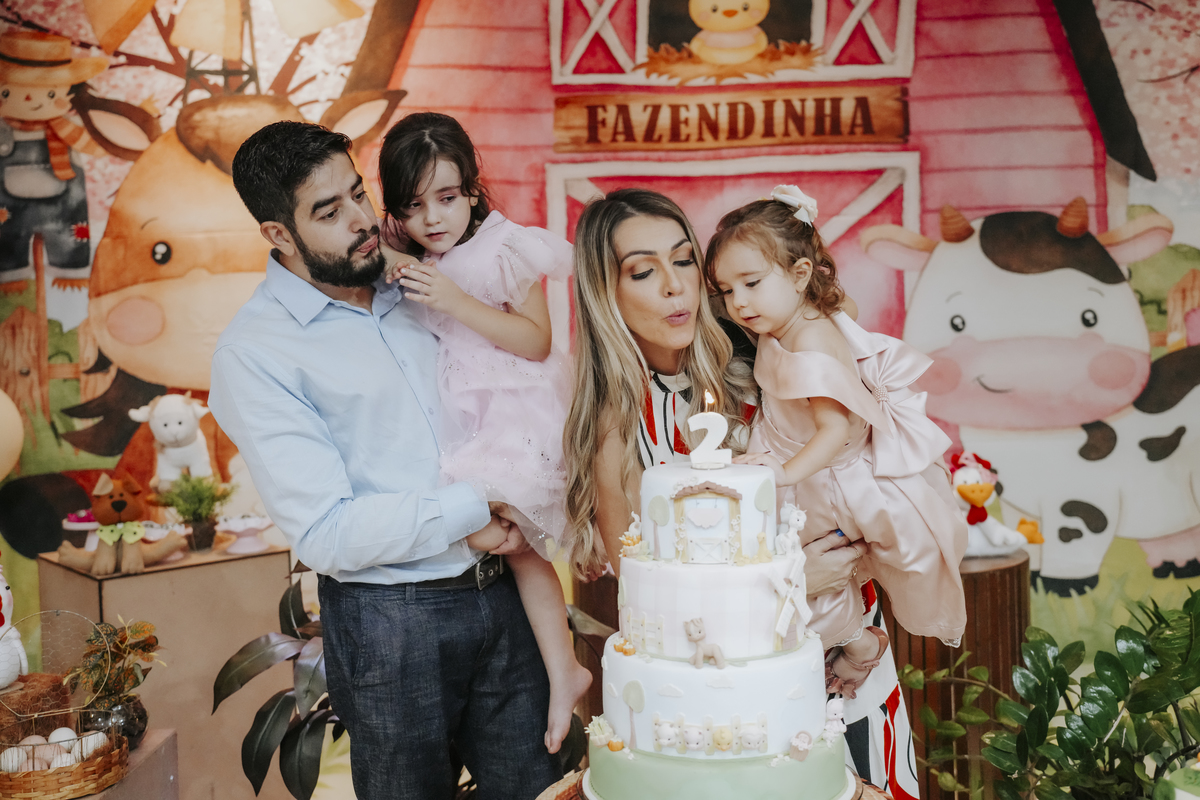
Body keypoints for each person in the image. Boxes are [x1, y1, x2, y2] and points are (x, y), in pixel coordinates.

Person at [209, 120, 561, 800]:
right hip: (391, 622)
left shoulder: (418, 278)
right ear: (279, 234)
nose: (361, 220)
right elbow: (326, 531)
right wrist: (480, 502)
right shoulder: (256, 353)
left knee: (537, 789)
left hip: (506, 592)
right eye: (329, 211)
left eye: (358, 193)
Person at [562, 187, 921, 800]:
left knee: (863, 780)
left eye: (684, 261)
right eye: (643, 272)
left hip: (846, 637)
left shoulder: (758, 342)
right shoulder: (615, 426)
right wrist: (786, 583)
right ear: (605, 291)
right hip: (726, 690)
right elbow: (647, 592)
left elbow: (849, 443)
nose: (675, 286)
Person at [376, 112, 591, 754]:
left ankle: (563, 668)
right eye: (413, 207)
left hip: (516, 406)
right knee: (517, 550)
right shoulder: (421, 256)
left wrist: (453, 300)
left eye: (447, 198)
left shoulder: (505, 248)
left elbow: (536, 341)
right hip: (465, 410)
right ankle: (565, 669)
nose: (432, 219)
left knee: (513, 542)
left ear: (472, 188)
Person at [705, 185, 968, 698]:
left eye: (751, 283)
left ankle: (859, 644)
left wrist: (782, 474)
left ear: (801, 274)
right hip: (796, 452)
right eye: (727, 290)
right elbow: (844, 305)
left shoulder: (811, 346)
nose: (739, 303)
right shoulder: (801, 314)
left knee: (796, 565)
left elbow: (835, 430)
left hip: (821, 477)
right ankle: (850, 642)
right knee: (789, 571)